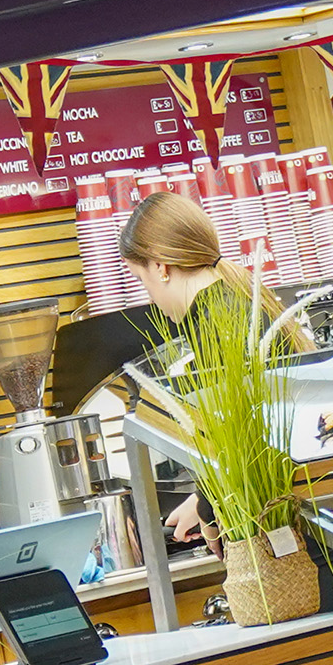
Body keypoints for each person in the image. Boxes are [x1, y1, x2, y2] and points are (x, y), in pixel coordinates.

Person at [119, 190, 263, 549]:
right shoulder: (234, 301)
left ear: (160, 267)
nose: (150, 297)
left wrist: (208, 515)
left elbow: (243, 444)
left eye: (142, 280)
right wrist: (201, 501)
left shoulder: (215, 324)